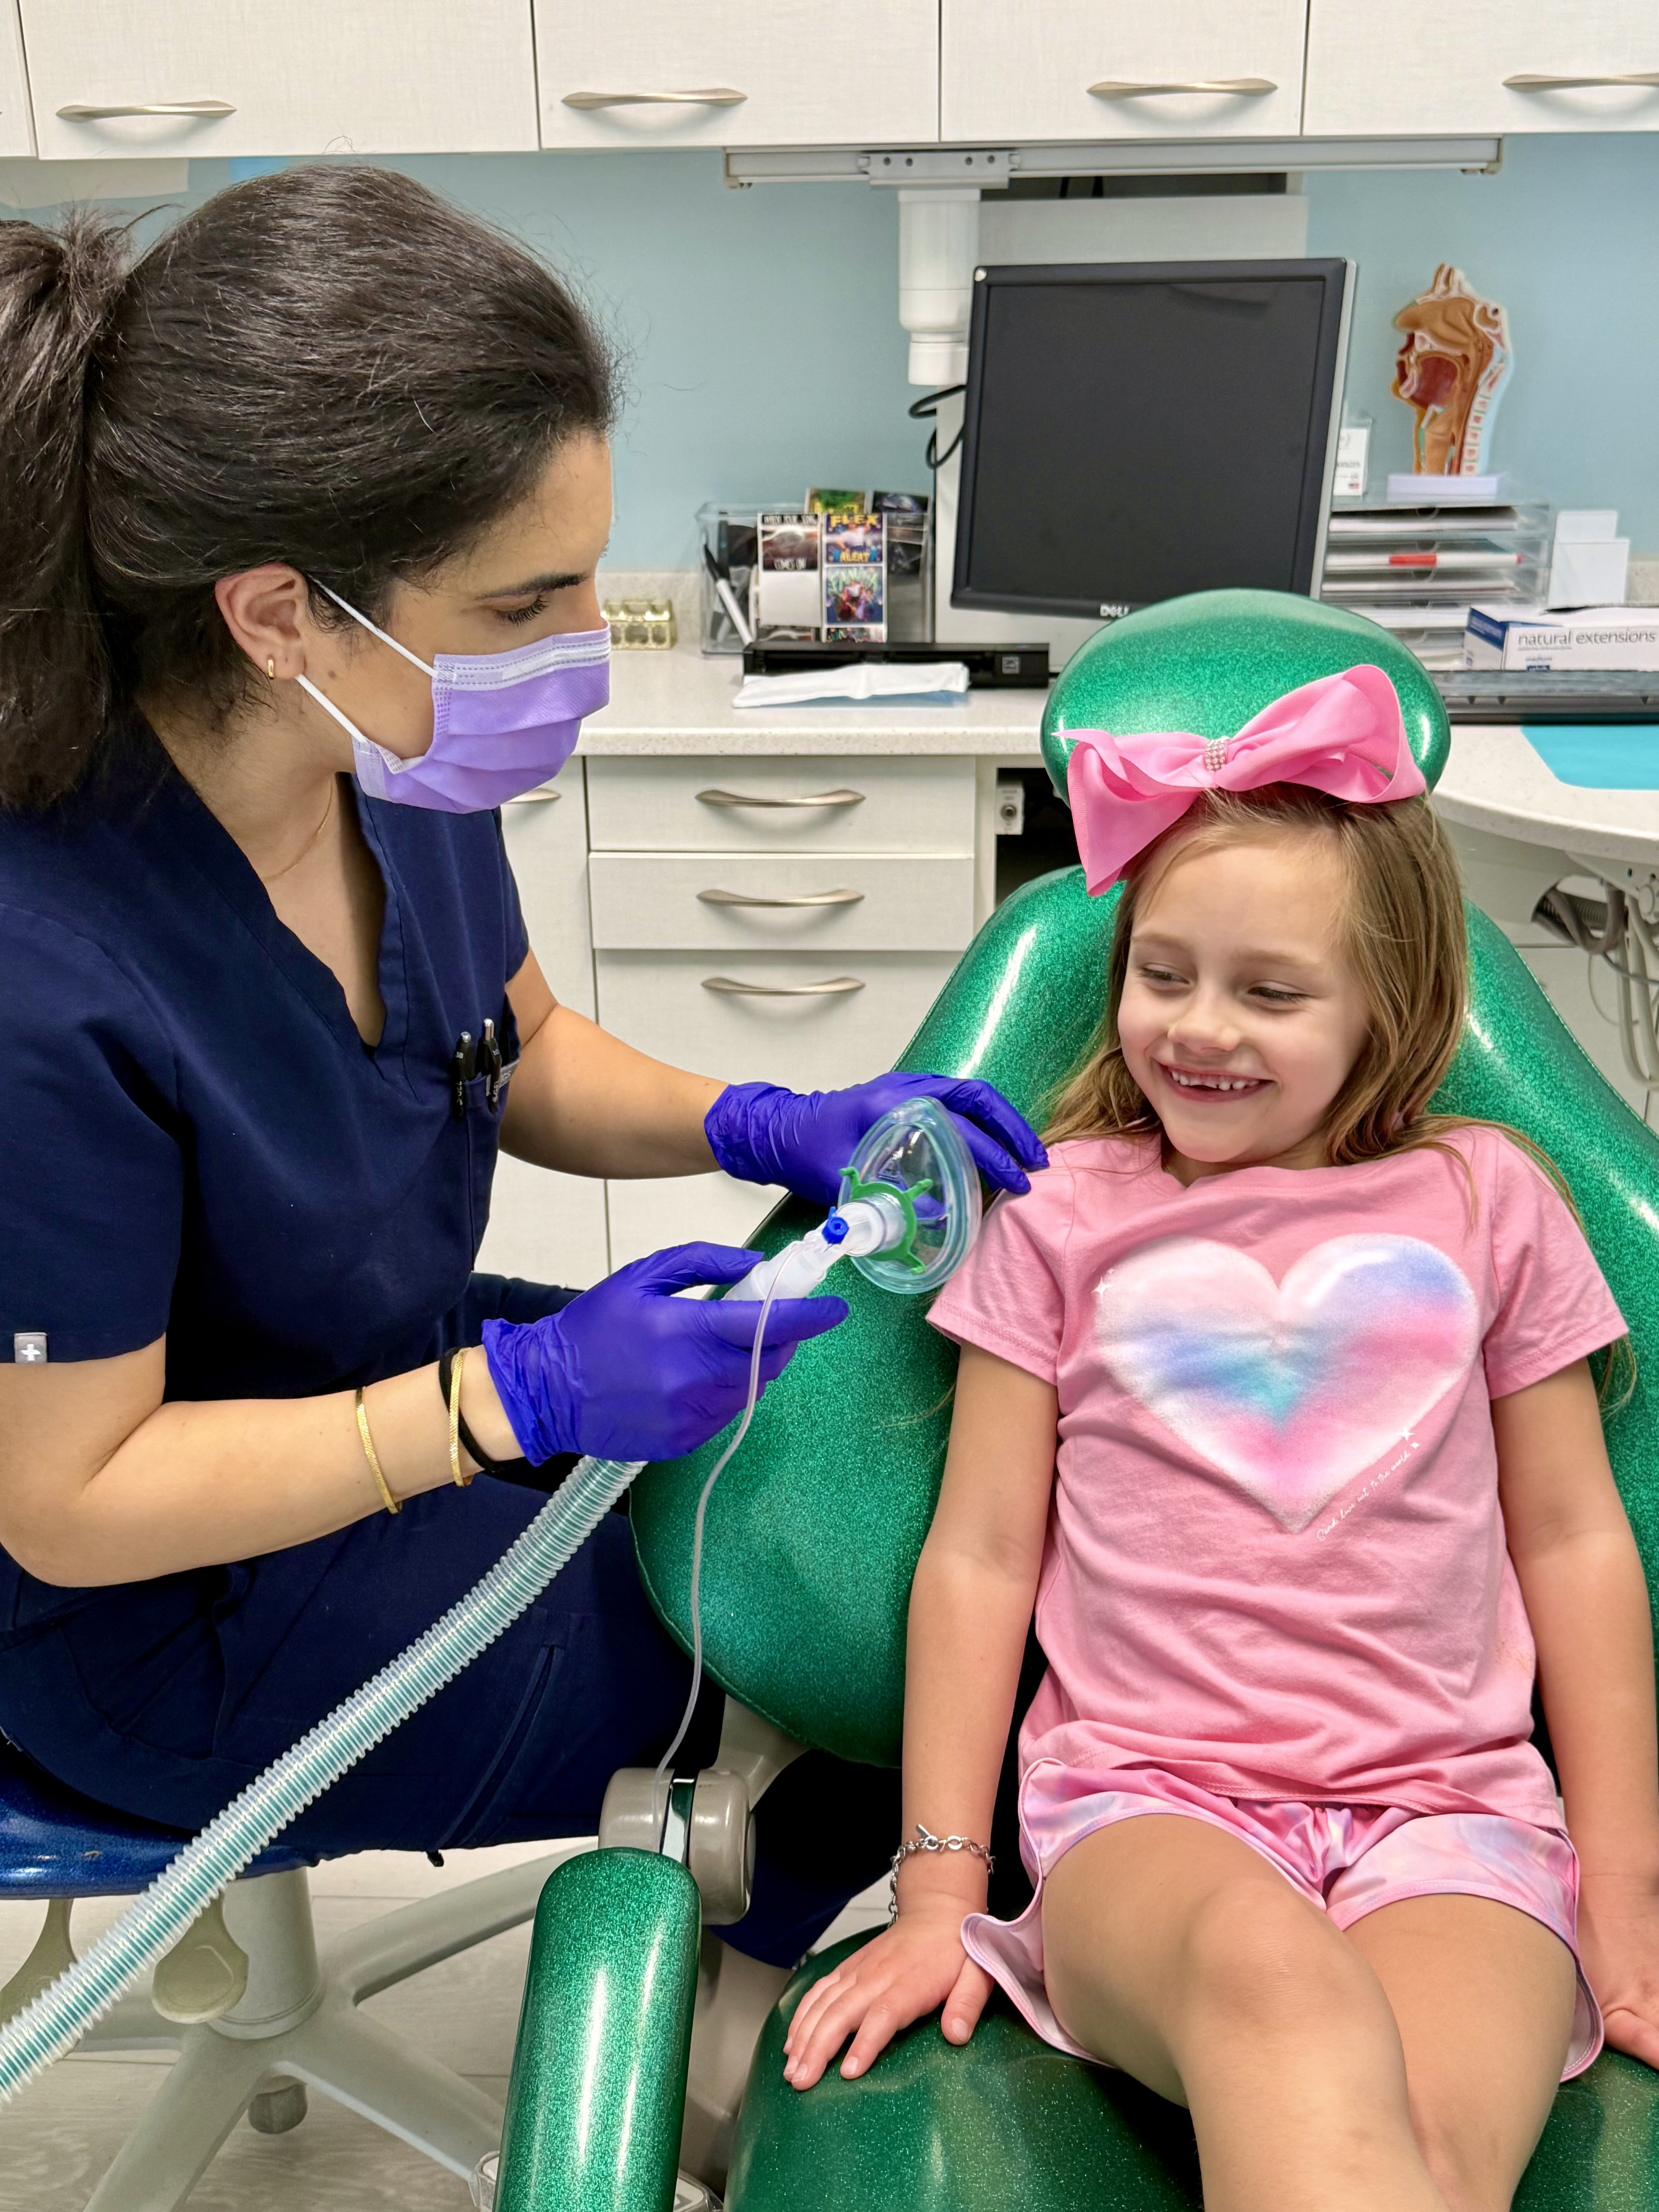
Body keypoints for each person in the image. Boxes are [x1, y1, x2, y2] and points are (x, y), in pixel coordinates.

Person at [0, 165, 1045, 1969]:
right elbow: (72, 1501)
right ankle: (762, 2055)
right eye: (522, 604)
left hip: (376, 1373)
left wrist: (769, 1122)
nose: (582, 657)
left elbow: (519, 1043)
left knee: (877, 1452)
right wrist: (516, 1405)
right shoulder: (44, 968)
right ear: (279, 615)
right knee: (872, 1646)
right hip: (168, 1614)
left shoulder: (387, 766)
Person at [780, 662, 1659, 2205]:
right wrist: (936, 1896)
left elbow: (1577, 1542)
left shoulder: (1491, 1204)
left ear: (1396, 1002)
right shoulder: (1061, 1214)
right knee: (1278, 1990)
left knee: (1432, 2162)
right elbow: (981, 1561)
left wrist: (1632, 1895)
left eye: (1270, 992)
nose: (1198, 1030)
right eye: (1163, 973)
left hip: (1455, 1817)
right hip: (1150, 1812)